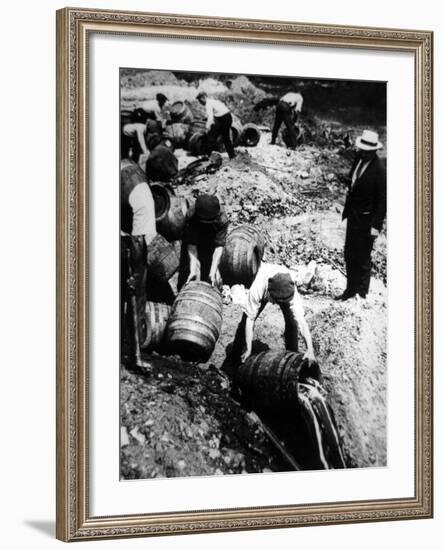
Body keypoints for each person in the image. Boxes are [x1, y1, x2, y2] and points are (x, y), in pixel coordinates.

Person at [228, 263, 316, 365]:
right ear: (270, 294)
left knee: (292, 323)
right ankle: (235, 357)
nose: (280, 304)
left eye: (284, 301)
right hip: (265, 284)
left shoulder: (291, 291)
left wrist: (310, 350)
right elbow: (250, 319)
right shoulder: (258, 288)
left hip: (281, 285)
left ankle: (292, 357)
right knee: (244, 321)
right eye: (279, 301)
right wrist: (249, 348)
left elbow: (302, 323)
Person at [337, 129, 387, 300]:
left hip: (367, 221)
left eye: (366, 151)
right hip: (353, 216)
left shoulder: (380, 170)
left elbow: (382, 201)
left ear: (373, 151)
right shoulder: (359, 158)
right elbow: (354, 181)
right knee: (349, 254)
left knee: (363, 258)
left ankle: (361, 293)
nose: (363, 153)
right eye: (362, 149)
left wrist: (376, 226)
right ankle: (350, 290)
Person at [120, 164, 157, 367]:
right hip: (126, 242)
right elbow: (137, 241)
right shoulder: (144, 198)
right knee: (137, 292)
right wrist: (136, 274)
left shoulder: (124, 172)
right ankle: (134, 356)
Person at [178, 194, 228, 290]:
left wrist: (213, 270)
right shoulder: (191, 215)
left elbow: (218, 247)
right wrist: (193, 267)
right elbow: (191, 243)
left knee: (212, 277)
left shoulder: (222, 219)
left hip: (211, 240)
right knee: (190, 275)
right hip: (196, 237)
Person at [196, 91, 236, 159]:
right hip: (228, 117)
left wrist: (207, 127)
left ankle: (206, 155)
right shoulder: (213, 101)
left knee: (211, 136)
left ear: (203, 98)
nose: (200, 103)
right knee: (226, 137)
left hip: (223, 119)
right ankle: (232, 155)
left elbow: (210, 117)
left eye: (200, 101)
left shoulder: (208, 104)